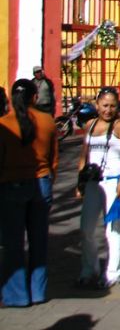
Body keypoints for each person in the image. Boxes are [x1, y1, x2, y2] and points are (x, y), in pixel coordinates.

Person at [0, 79, 58, 307]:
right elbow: (54, 159)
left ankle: (17, 296)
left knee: (13, 244)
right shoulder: (47, 121)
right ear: (35, 97)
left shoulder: (4, 124)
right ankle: (38, 292)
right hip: (41, 183)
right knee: (39, 241)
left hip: (11, 185)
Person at [76, 86, 120, 289]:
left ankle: (112, 273)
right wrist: (79, 183)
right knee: (86, 228)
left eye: (112, 106)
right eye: (104, 105)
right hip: (93, 183)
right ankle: (88, 269)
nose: (108, 110)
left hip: (113, 182)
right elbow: (84, 156)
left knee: (112, 229)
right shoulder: (91, 126)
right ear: (97, 104)